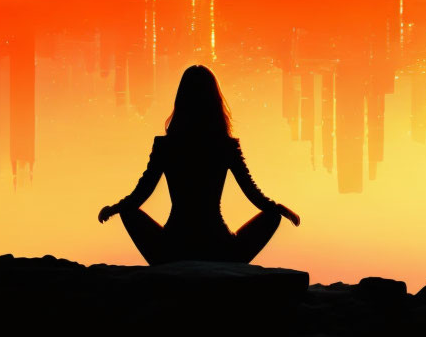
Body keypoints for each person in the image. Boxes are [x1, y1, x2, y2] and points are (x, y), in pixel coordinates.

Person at [98, 64, 299, 265]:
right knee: (272, 217)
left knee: (127, 211)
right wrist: (277, 209)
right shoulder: (225, 145)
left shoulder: (166, 146)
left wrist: (115, 208)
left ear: (181, 101)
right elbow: (252, 192)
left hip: (173, 246)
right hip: (219, 246)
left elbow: (141, 193)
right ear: (214, 102)